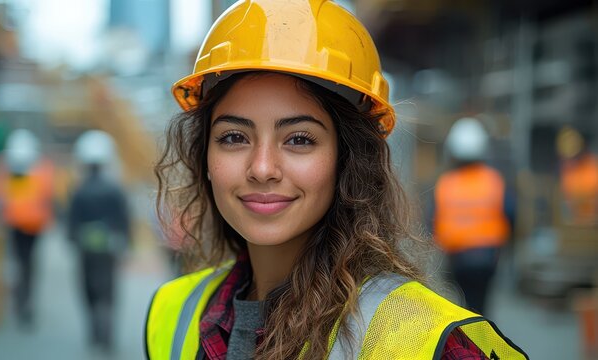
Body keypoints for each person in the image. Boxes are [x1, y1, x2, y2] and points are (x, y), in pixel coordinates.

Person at [147, 1, 527, 359]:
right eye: (234, 137)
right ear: (206, 158)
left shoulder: (425, 342)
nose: (262, 168)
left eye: (299, 139)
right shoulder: (173, 312)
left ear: (347, 159)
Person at [433, 117, 512, 315]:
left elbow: (432, 220)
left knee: (461, 311)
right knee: (482, 310)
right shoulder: (494, 180)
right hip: (487, 259)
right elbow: (510, 214)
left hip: (457, 260)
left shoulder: (446, 183)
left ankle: (464, 344)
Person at [68, 130, 130, 352]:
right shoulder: (115, 189)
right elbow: (124, 219)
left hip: (86, 248)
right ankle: (106, 335)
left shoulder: (80, 190)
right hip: (108, 247)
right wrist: (126, 244)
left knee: (89, 289)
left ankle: (95, 333)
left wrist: (73, 240)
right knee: (107, 291)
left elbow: (72, 221)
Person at [0, 128, 55, 326]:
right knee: (25, 265)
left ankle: (22, 300)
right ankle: (23, 300)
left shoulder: (5, 167)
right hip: (23, 225)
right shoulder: (41, 168)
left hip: (26, 226)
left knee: (22, 264)